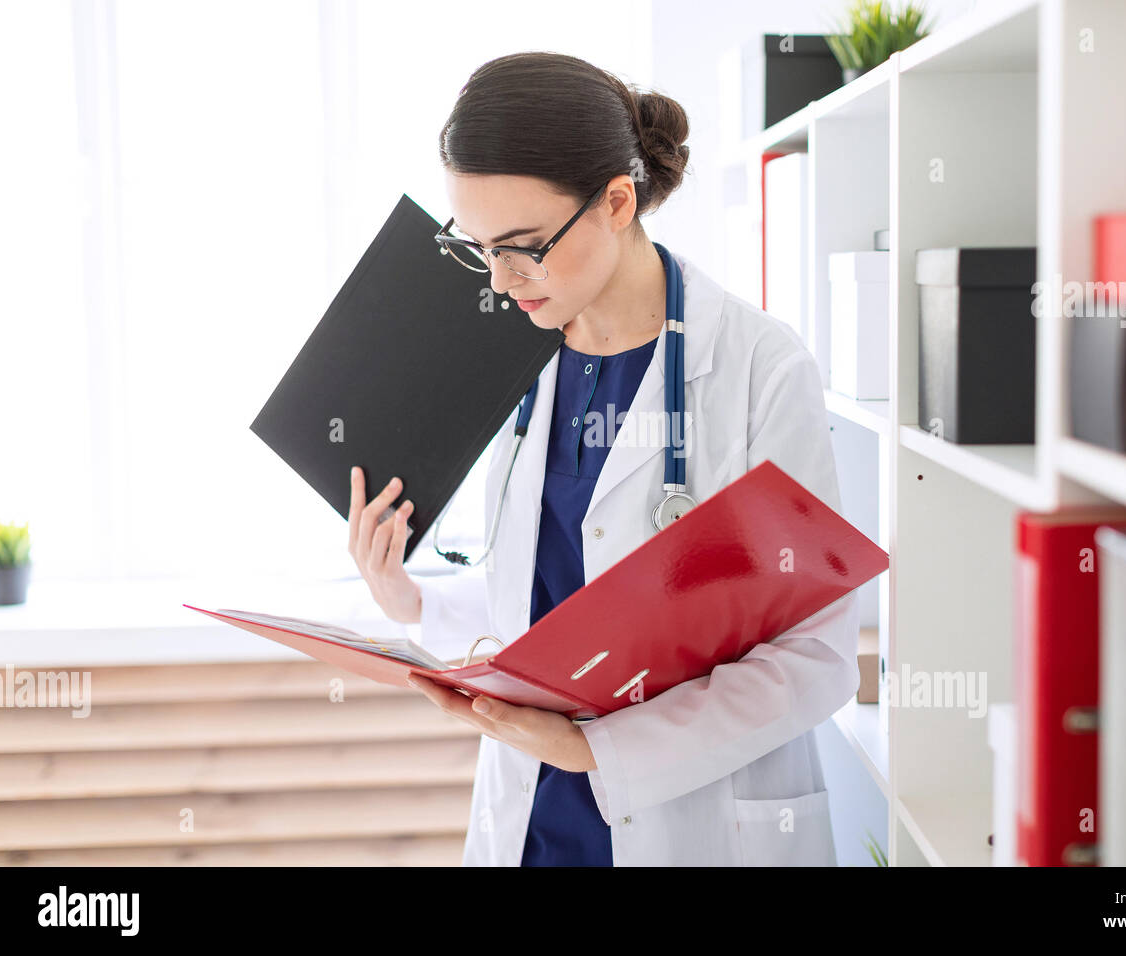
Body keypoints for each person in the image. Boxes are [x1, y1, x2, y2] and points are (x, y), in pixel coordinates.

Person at [346, 51, 858, 866]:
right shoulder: (525, 358)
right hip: (536, 824)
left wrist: (600, 753)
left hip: (696, 824)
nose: (501, 280)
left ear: (617, 201)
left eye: (522, 246)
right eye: (477, 248)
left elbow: (817, 660)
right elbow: (561, 594)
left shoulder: (762, 369)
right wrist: (414, 602)